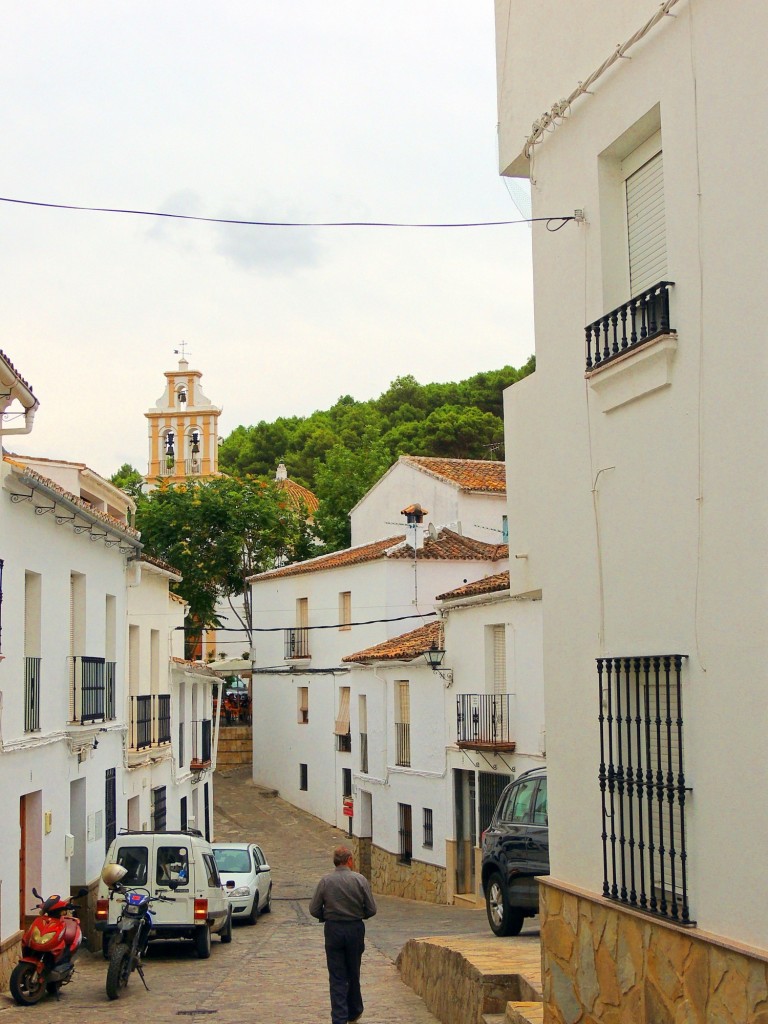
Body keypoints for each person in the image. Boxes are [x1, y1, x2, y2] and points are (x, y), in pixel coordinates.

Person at [309, 846, 377, 1024]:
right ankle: (354, 1011)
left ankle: (339, 1017)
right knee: (353, 971)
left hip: (333, 930)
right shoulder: (360, 880)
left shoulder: (325, 882)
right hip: (354, 929)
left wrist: (327, 916)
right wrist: (359, 915)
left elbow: (314, 909)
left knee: (337, 975)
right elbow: (371, 909)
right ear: (349, 860)